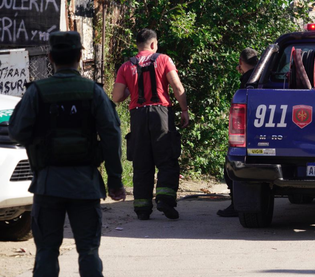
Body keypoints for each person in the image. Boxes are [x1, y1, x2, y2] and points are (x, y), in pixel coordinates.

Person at [8, 31, 126, 277]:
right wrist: (115, 180)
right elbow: (112, 134)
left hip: (47, 185)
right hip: (85, 184)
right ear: (80, 56)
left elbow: (17, 132)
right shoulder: (93, 92)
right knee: (89, 252)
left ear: (50, 57)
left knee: (47, 252)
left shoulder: (37, 92)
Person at [112, 28, 189, 220]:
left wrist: (132, 90)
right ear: (153, 44)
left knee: (142, 163)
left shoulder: (126, 66)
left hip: (137, 117)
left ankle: (142, 208)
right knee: (167, 159)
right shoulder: (163, 59)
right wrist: (185, 110)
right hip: (160, 114)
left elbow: (117, 97)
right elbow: (177, 87)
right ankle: (165, 199)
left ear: (137, 44)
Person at [218, 47, 258, 217]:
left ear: (241, 62)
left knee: (230, 168)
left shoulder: (247, 81)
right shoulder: (262, 76)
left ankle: (236, 204)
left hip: (250, 136)